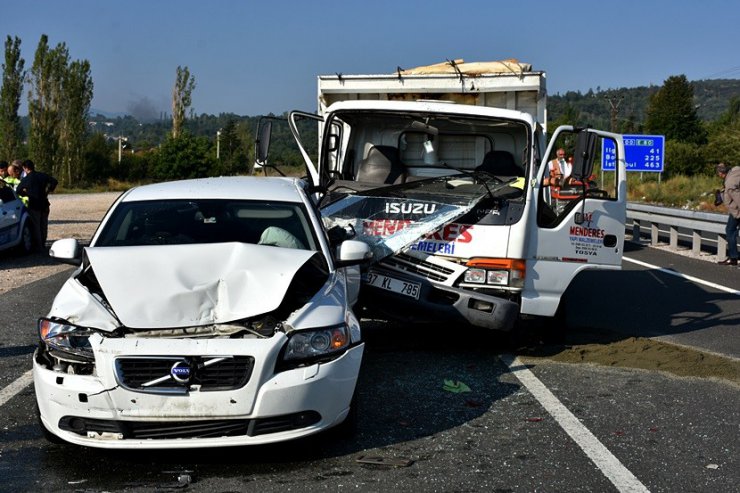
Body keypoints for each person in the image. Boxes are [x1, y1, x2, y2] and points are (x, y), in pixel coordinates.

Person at [16, 159, 58, 251]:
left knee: (36, 226)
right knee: (44, 225)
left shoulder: (26, 179)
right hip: (44, 203)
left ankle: (39, 246)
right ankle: (43, 242)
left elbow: (18, 191)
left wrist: (26, 194)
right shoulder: (42, 176)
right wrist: (49, 190)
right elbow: (54, 181)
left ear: (25, 168)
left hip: (34, 205)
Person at [715, 162, 740, 265]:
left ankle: (733, 258)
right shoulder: (735, 172)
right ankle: (733, 257)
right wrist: (722, 195)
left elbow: (737, 197)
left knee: (730, 231)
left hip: (737, 211)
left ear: (721, 173)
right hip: (735, 209)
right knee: (731, 231)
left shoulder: (729, 183)